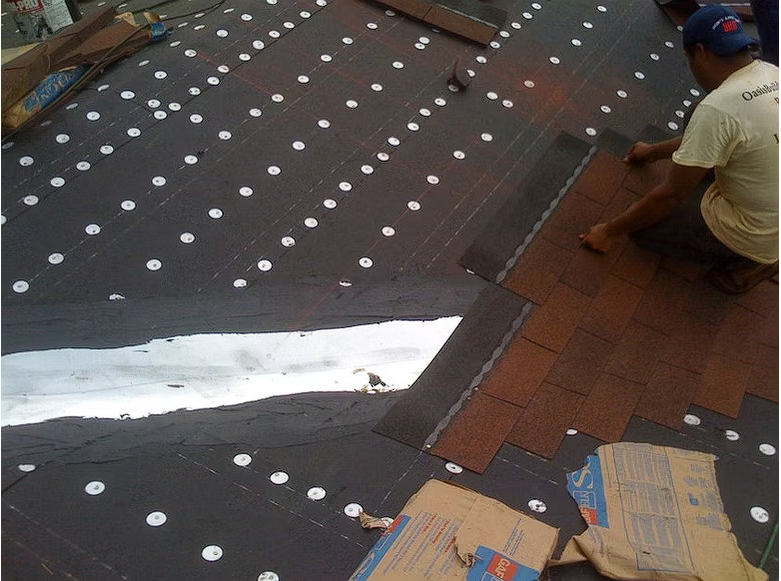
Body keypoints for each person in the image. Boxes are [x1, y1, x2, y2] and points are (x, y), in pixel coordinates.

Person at [580, 4, 779, 294]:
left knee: (646, 229)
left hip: (761, 233)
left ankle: (753, 262)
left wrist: (608, 231)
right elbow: (713, 135)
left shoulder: (719, 108)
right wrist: (653, 152)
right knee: (700, 114)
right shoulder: (771, 72)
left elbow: (671, 196)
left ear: (700, 52)